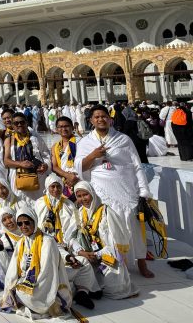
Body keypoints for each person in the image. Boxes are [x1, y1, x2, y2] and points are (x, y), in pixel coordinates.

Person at [75, 104, 154, 278]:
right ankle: (118, 264)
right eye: (96, 117)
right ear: (91, 121)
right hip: (103, 192)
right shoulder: (86, 142)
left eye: (103, 116)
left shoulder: (123, 139)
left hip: (126, 189)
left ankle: (141, 263)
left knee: (134, 227)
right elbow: (81, 168)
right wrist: (93, 155)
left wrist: (143, 191)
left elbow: (136, 165)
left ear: (110, 119)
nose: (100, 119)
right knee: (109, 229)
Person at [35, 176, 100, 308]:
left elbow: (75, 230)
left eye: (58, 186)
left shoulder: (70, 205)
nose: (55, 189)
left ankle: (82, 292)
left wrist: (78, 250)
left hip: (66, 244)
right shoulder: (39, 203)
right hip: (46, 245)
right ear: (47, 188)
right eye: (52, 186)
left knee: (84, 262)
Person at [0, 207, 72, 319]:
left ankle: (38, 304)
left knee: (27, 295)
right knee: (12, 291)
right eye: (20, 224)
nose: (23, 226)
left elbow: (47, 273)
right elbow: (13, 269)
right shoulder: (22, 242)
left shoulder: (47, 241)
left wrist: (27, 286)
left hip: (44, 284)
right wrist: (11, 285)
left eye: (27, 222)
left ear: (34, 221)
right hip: (26, 280)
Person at [72, 181, 137, 299]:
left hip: (106, 254)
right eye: (79, 196)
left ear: (92, 193)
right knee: (77, 267)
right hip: (87, 254)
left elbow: (115, 244)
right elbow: (70, 238)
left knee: (113, 285)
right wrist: (81, 252)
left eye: (85, 195)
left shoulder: (106, 212)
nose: (83, 199)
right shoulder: (78, 213)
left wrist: (97, 254)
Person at [4, 112, 50, 205]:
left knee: (39, 205)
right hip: (18, 179)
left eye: (22, 122)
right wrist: (20, 164)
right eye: (16, 123)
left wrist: (45, 165)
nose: (19, 125)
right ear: (12, 125)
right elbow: (6, 161)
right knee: (21, 206)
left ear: (26, 123)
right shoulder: (9, 140)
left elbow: (46, 155)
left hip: (37, 179)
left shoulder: (35, 138)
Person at [0, 206, 23, 288]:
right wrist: (0, 248)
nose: (8, 221)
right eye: (4, 220)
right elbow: (4, 265)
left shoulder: (26, 230)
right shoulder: (4, 240)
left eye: (10, 217)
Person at [50, 117, 80, 198]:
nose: (63, 129)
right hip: (63, 181)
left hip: (78, 178)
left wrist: (74, 177)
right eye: (60, 127)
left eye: (66, 126)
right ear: (56, 129)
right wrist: (67, 176)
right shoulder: (55, 147)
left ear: (72, 127)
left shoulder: (80, 142)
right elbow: (55, 166)